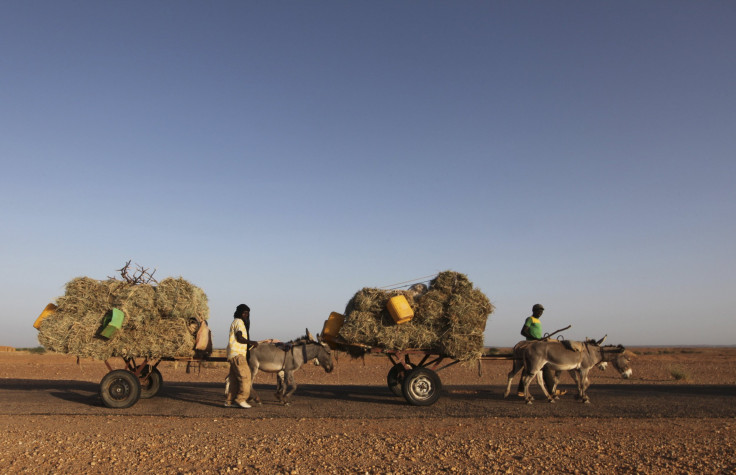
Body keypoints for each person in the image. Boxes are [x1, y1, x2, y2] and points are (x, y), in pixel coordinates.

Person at [517, 304, 564, 397]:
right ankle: (552, 390)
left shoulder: (538, 321)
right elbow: (523, 331)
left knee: (528, 367)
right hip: (532, 345)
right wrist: (535, 339)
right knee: (544, 366)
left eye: (541, 311)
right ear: (533, 311)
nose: (540, 313)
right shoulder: (530, 319)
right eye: (539, 311)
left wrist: (540, 338)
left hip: (538, 344)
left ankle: (521, 390)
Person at [225, 304, 259, 408]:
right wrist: (251, 342)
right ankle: (241, 399)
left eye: (247, 313)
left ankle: (229, 401)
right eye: (244, 313)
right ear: (240, 313)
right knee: (246, 377)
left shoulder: (235, 322)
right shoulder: (239, 322)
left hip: (233, 354)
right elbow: (239, 338)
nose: (246, 315)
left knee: (234, 379)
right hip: (238, 355)